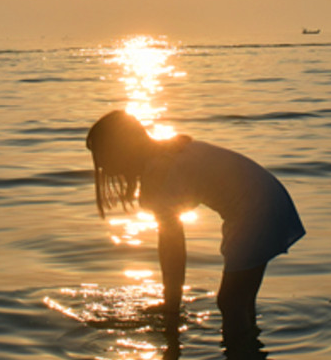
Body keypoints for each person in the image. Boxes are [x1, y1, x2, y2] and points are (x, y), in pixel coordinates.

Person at [85, 110, 305, 334]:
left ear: (120, 150)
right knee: (241, 302)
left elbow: (173, 248)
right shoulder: (169, 151)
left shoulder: (161, 174)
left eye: (102, 156)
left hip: (256, 210)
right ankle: (249, 348)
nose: (102, 167)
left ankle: (239, 353)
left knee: (231, 303)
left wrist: (171, 307)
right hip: (269, 197)